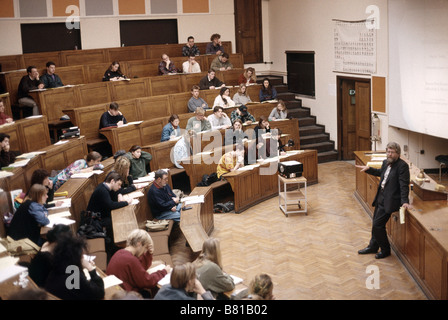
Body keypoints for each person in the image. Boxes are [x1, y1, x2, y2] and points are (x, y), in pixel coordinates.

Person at [356, 142, 411, 259]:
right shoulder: (386, 162)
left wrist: (405, 201)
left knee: (378, 225)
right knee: (375, 223)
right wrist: (369, 169)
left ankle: (385, 250)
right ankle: (373, 246)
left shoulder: (402, 166)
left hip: (390, 200)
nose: (389, 154)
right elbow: (381, 173)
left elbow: (403, 185)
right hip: (380, 196)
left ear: (398, 153)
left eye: (392, 152)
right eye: (388, 151)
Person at [106, 229, 171, 297]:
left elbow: (139, 268)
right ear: (139, 244)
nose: (144, 251)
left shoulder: (120, 252)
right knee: (147, 294)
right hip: (125, 296)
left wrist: (149, 253)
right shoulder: (131, 259)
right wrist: (164, 272)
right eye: (145, 247)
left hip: (117, 292)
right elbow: (147, 281)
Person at [86, 172, 131, 258]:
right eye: (118, 184)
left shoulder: (105, 188)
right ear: (112, 181)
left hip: (99, 216)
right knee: (112, 222)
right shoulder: (102, 190)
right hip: (94, 220)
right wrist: (126, 202)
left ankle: (116, 247)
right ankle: (114, 248)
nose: (119, 187)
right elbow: (111, 205)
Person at [45, 235, 105, 300]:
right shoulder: (74, 276)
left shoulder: (57, 268)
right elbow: (99, 293)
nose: (83, 258)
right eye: (81, 256)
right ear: (75, 257)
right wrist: (90, 268)